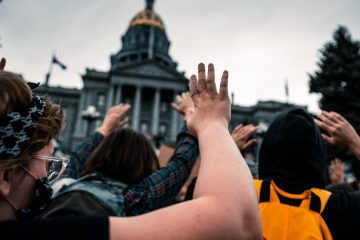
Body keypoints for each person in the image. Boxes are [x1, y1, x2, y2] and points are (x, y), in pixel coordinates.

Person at [0, 61, 262, 239]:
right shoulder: (118, 205)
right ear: (5, 177)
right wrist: (211, 126)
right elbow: (238, 223)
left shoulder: (67, 190)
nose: (52, 176)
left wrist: (103, 129)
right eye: (48, 162)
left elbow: (77, 163)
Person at [40, 101, 199, 217]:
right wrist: (190, 116)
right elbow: (181, 163)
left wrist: (104, 128)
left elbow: (76, 159)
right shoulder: (134, 200)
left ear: (100, 154)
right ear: (145, 162)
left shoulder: (64, 186)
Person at [256, 107, 360, 239]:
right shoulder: (338, 208)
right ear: (318, 152)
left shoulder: (248, 195)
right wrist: (354, 141)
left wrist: (227, 144)